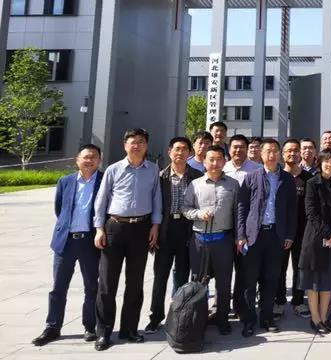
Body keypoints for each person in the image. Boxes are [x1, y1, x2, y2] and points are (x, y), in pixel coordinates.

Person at [93, 128, 162, 351]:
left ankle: (129, 329)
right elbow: (101, 200)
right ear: (125, 145)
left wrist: (155, 225)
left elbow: (157, 199)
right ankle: (103, 332)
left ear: (146, 146)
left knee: (135, 282)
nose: (137, 145)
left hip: (141, 229)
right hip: (115, 227)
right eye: (133, 142)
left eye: (141, 142)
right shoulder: (113, 169)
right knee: (107, 283)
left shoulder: (153, 170)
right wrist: (99, 229)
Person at [32, 144, 104, 347]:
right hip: (66, 242)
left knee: (92, 286)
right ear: (77, 159)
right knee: (58, 287)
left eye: (93, 157)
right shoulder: (65, 181)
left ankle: (90, 326)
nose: (89, 160)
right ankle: (52, 327)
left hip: (90, 241)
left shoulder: (104, 180)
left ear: (99, 160)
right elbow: (60, 209)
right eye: (85, 157)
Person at [236, 138, 298, 337]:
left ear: (279, 154)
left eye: (275, 151)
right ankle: (249, 320)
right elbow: (242, 207)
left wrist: (289, 234)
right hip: (254, 236)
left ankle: (267, 317)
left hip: (276, 236)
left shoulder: (287, 179)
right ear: (261, 154)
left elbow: (292, 210)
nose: (271, 155)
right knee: (250, 280)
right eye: (268, 151)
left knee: (271, 279)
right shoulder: (252, 177)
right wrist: (241, 235)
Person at [145, 137, 202, 334]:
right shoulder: (160, 177)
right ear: (169, 152)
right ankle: (155, 317)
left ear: (189, 153)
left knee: (183, 276)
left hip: (187, 229)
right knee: (160, 276)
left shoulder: (197, 176)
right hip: (166, 229)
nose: (180, 152)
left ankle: (179, 316)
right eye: (177, 149)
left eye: (184, 149)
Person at [182, 145, 239, 335]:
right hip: (200, 240)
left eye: (218, 159)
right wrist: (198, 214)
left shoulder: (233, 184)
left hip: (223, 240)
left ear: (224, 161)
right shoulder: (195, 184)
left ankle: (222, 318)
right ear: (204, 162)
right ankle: (199, 319)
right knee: (199, 282)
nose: (215, 163)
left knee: (224, 282)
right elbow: (185, 208)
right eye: (211, 159)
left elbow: (237, 212)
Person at [298, 150, 331, 334]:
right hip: (315, 237)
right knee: (314, 281)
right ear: (319, 163)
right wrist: (327, 234)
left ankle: (324, 317)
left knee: (327, 279)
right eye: (326, 161)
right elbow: (311, 212)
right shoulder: (311, 183)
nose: (329, 164)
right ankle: (315, 318)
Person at [222, 134, 260, 319]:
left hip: (246, 227)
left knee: (243, 270)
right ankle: (221, 306)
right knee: (223, 270)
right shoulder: (222, 167)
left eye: (242, 147)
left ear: (247, 149)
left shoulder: (257, 169)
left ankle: (240, 306)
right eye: (235, 147)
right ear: (229, 149)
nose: (238, 150)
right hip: (223, 226)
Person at [277, 138, 312, 318]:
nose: (292, 153)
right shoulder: (276, 177)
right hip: (280, 231)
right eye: (288, 151)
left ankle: (298, 301)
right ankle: (279, 301)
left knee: (300, 267)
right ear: (282, 154)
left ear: (300, 154)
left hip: (302, 231)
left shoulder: (309, 178)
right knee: (279, 267)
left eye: (295, 150)